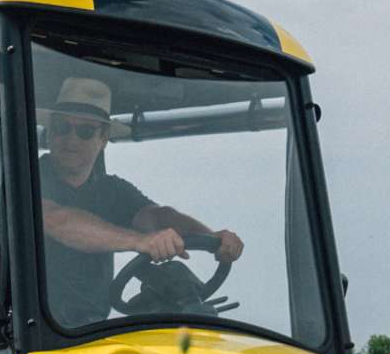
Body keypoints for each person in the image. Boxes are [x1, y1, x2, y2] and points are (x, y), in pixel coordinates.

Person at [38, 76, 244, 328]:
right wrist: (140, 242)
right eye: (62, 128)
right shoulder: (27, 178)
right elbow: (57, 220)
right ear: (49, 133)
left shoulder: (112, 190)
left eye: (84, 131)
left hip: (87, 332)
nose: (71, 140)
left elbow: (160, 217)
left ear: (102, 140)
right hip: (28, 333)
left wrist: (214, 238)